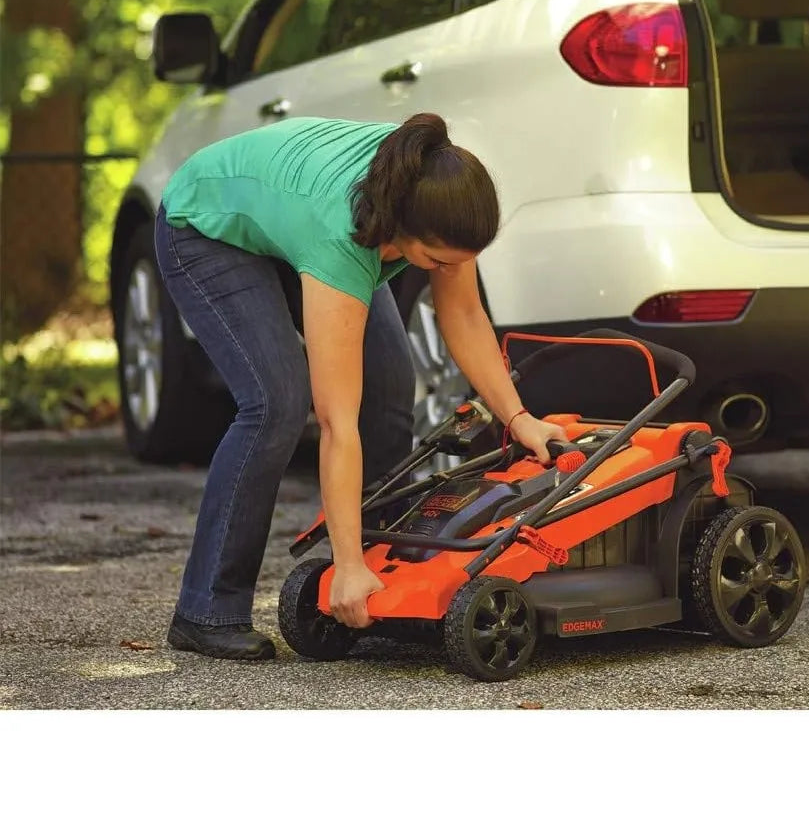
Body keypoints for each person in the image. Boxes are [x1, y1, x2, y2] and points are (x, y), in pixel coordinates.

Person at [155, 113, 568, 661]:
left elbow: (465, 316)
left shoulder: (435, 190)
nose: (449, 270)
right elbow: (336, 423)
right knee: (276, 403)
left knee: (391, 386)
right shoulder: (342, 235)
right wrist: (343, 565)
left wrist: (518, 418)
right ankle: (208, 609)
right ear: (400, 230)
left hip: (291, 219)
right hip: (206, 227)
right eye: (438, 260)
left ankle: (382, 571)